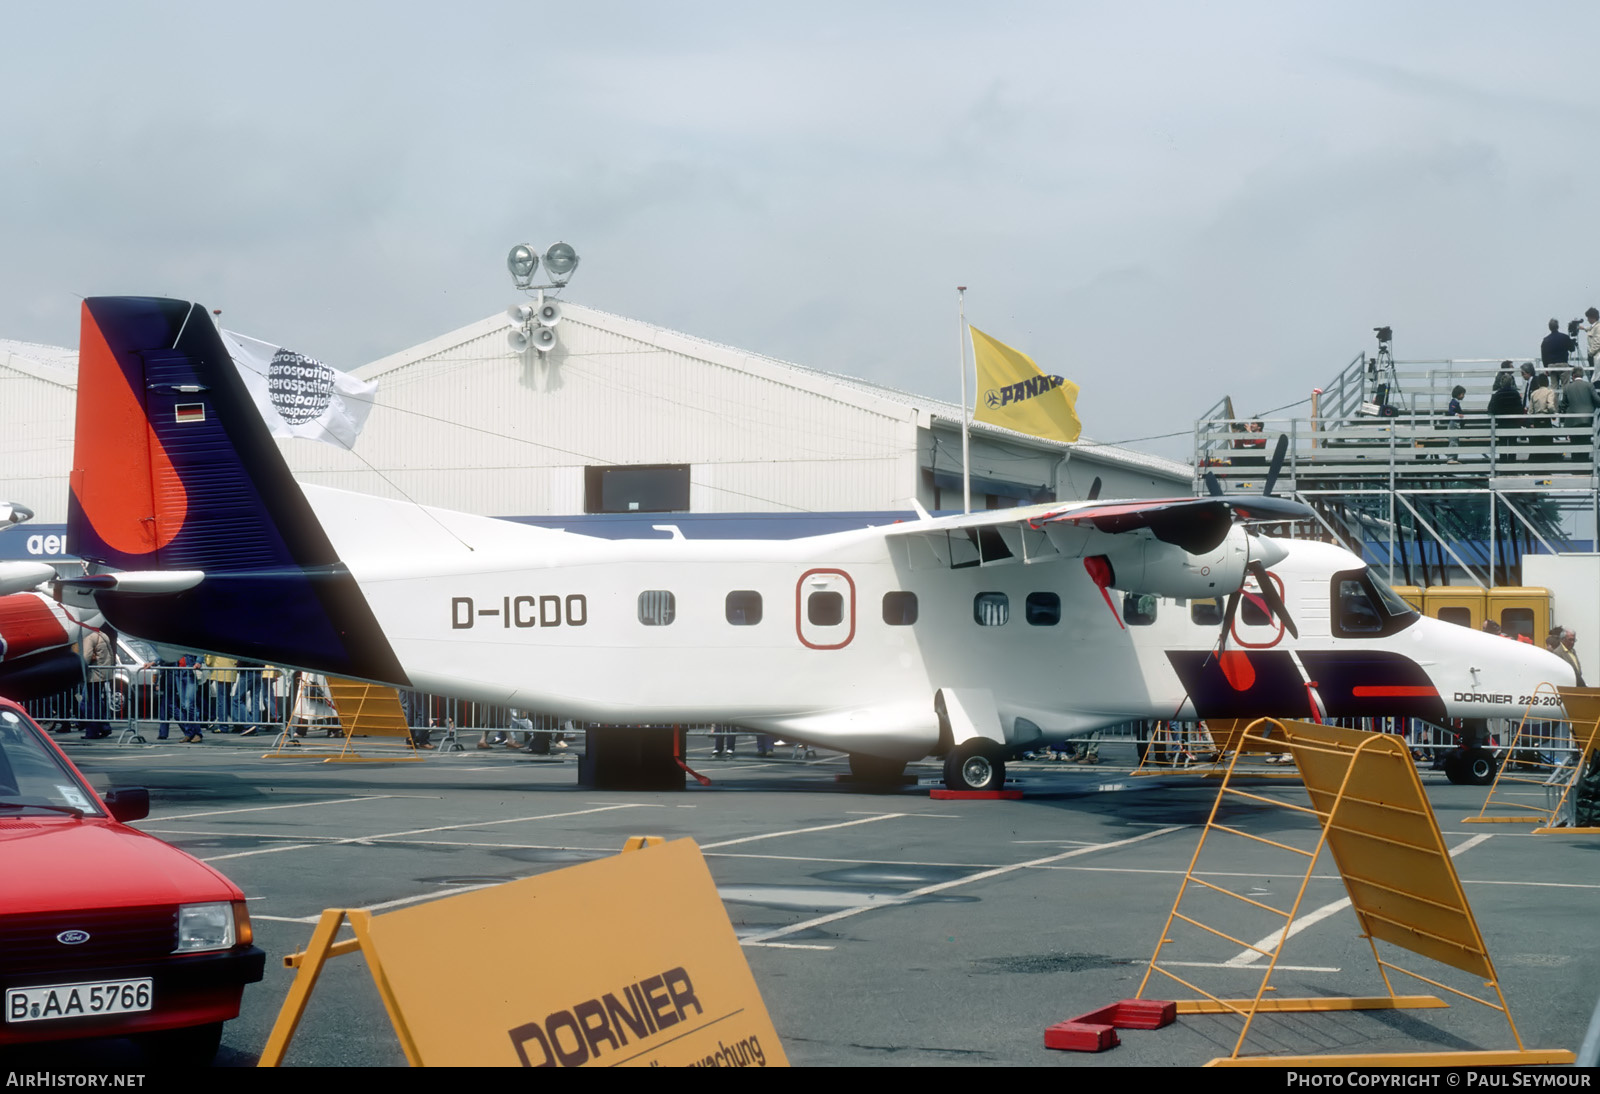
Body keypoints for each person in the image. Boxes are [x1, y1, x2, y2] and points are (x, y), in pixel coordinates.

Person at [1561, 367, 1597, 464]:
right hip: (1587, 420)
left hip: (1572, 421)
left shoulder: (1567, 387)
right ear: (1582, 375)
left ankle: (1576, 467)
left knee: (1575, 444)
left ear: (1573, 376)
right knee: (1585, 443)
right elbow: (1597, 400)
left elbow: (1563, 404)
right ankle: (1585, 465)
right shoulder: (1589, 386)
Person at [1487, 372, 1523, 462]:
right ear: (1511, 382)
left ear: (1501, 383)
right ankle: (1512, 464)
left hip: (1502, 423)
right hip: (1513, 423)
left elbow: (1491, 410)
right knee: (1513, 444)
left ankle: (1503, 463)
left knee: (1502, 444)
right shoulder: (1515, 394)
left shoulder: (1497, 394)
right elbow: (1520, 409)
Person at [1445, 384, 1467, 461]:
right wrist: (1457, 414)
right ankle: (1451, 458)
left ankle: (1452, 457)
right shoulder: (1454, 402)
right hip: (1454, 424)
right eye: (1462, 394)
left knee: (1455, 441)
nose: (1463, 396)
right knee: (1454, 441)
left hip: (1455, 424)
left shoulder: (1456, 402)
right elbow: (1451, 411)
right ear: (1458, 394)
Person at [1581, 307, 1600, 377]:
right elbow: (1590, 328)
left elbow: (1598, 342)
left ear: (1593, 317)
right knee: (1593, 374)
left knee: (1596, 376)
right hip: (1594, 356)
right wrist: (1583, 328)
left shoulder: (1598, 327)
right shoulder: (1594, 327)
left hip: (1596, 356)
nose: (1588, 319)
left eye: (1588, 318)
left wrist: (1591, 353)